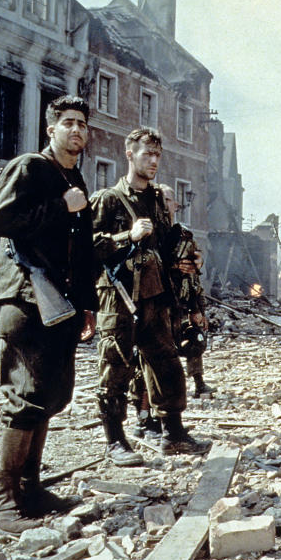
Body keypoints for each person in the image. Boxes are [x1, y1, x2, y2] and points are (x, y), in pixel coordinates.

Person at [0, 95, 98, 535]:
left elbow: (80, 250)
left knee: (50, 395)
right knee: (25, 396)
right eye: (67, 122)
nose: (76, 130)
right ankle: (0, 502)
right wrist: (59, 207)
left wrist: (86, 303)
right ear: (51, 129)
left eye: (82, 124)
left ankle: (30, 487)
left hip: (59, 304)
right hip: (25, 300)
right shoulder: (30, 166)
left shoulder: (75, 178)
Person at [92, 128, 210, 464]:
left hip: (155, 295)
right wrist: (127, 236)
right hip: (118, 295)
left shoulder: (158, 199)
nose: (154, 161)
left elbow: (168, 241)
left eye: (158, 155)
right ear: (129, 154)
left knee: (166, 362)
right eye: (147, 154)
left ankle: (173, 433)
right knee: (115, 364)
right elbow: (89, 247)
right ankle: (115, 441)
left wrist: (191, 257)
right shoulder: (108, 199)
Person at [160, 184, 212, 398]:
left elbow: (193, 277)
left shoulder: (184, 237)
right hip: (157, 303)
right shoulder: (149, 233)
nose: (164, 205)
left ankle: (198, 383)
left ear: (176, 205)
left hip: (180, 303)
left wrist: (197, 308)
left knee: (194, 339)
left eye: (167, 201)